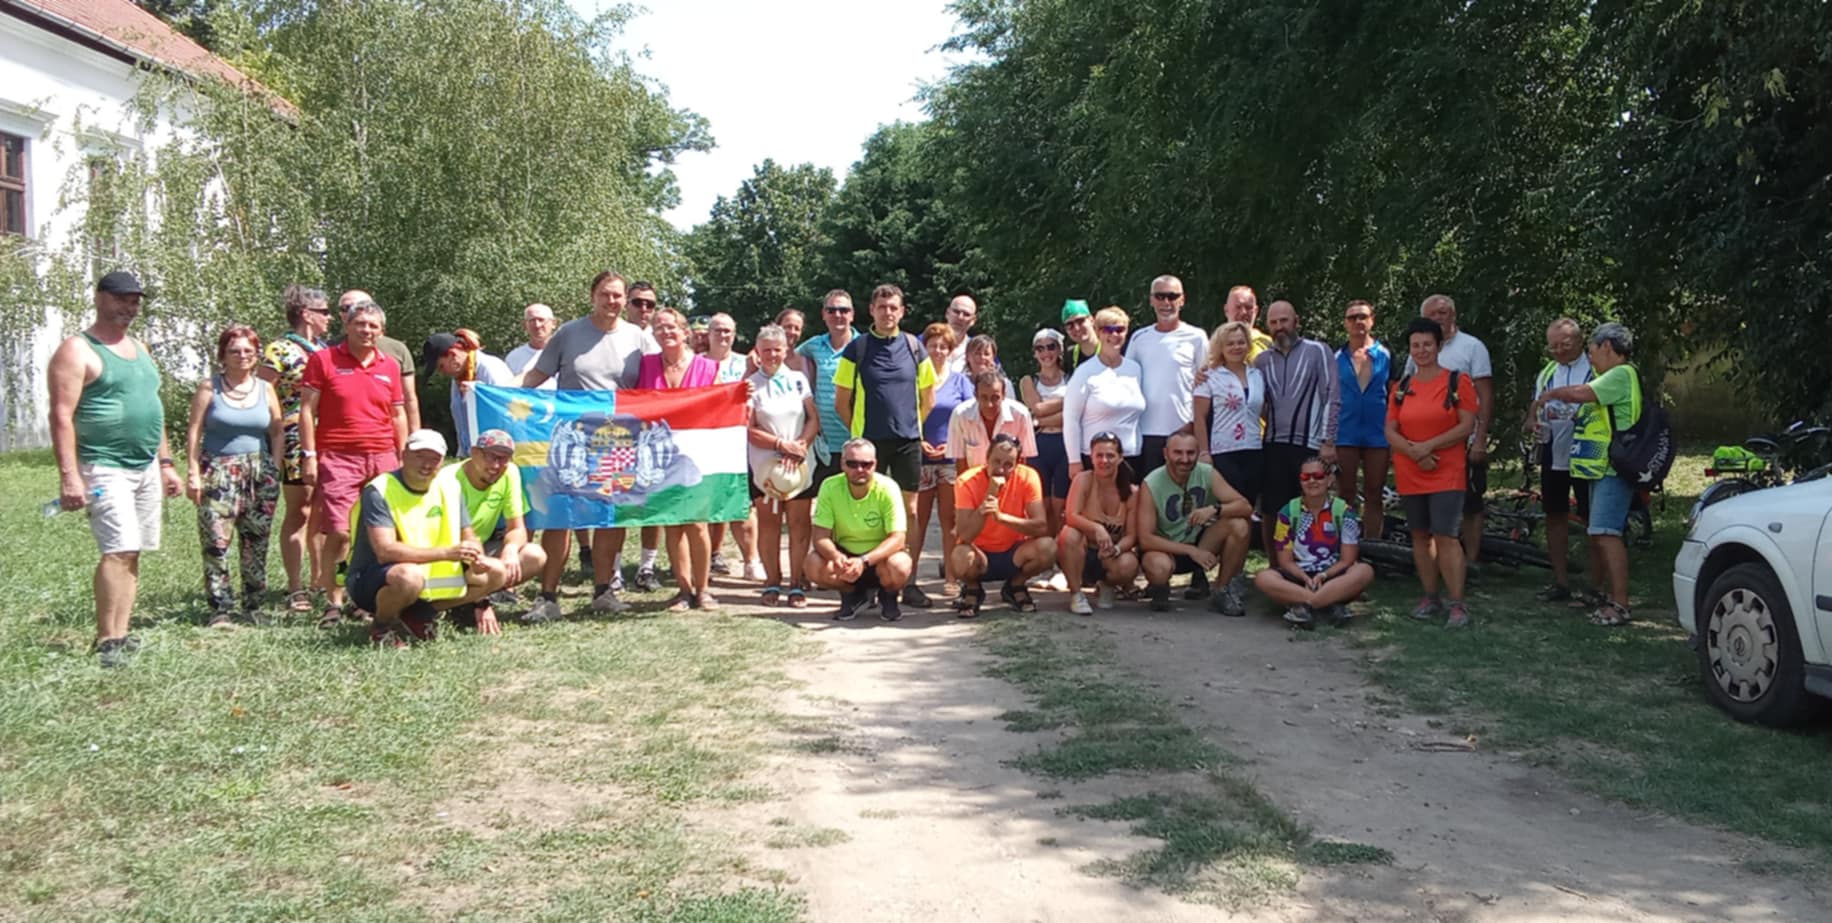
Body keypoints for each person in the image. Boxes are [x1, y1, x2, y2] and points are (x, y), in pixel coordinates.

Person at [48, 271, 184, 666]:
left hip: (145, 466)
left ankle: (121, 633)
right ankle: (107, 639)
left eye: (135, 300)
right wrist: (70, 477)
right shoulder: (77, 350)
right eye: (122, 298)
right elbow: (61, 416)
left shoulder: (139, 347)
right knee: (118, 548)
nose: (130, 306)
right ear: (99, 297)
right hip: (103, 466)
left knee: (133, 550)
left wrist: (166, 464)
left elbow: (152, 408)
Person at [522, 270, 658, 616]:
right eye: (605, 294)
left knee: (608, 518)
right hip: (573, 442)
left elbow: (661, 382)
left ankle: (603, 592)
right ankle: (548, 597)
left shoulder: (639, 338)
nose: (612, 301)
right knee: (561, 517)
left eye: (617, 295)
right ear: (592, 296)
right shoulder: (568, 333)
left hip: (619, 442)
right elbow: (534, 376)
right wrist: (491, 392)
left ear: (624, 299)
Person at [301, 298, 409, 628]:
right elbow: (306, 410)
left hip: (383, 456)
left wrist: (403, 455)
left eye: (373, 326)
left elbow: (398, 414)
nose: (366, 330)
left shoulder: (389, 366)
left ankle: (365, 598)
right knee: (339, 532)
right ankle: (333, 601)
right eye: (360, 324)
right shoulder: (323, 360)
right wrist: (309, 455)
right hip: (338, 457)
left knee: (380, 533)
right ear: (346, 326)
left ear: (382, 331)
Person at [344, 429, 508, 645]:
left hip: (428, 576)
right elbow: (385, 551)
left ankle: (419, 614)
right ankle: (382, 626)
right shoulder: (379, 490)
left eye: (434, 459)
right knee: (408, 576)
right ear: (404, 455)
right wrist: (446, 553)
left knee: (496, 571)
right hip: (373, 577)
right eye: (420, 456)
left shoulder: (450, 487)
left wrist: (476, 556)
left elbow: (468, 534)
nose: (427, 464)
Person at [832, 283, 938, 608]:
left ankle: (909, 580)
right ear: (871, 311)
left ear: (902, 312)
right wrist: (859, 435)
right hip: (869, 445)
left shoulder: (916, 348)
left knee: (910, 511)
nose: (887, 312)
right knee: (870, 509)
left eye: (893, 307)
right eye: (881, 307)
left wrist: (910, 426)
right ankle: (868, 581)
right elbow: (841, 402)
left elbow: (928, 399)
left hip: (907, 442)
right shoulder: (857, 349)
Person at [1531, 322, 1642, 627]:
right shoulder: (1617, 374)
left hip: (1611, 467)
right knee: (1600, 530)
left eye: (1592, 349)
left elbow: (1583, 394)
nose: (1591, 356)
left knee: (1606, 532)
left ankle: (1618, 603)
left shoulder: (1619, 374)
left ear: (1606, 346)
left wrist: (1553, 394)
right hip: (1595, 464)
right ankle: (1606, 597)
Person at [184, 325, 283, 628]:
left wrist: (275, 466)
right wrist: (193, 472)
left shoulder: (265, 389)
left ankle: (254, 605)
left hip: (259, 473)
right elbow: (194, 431)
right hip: (218, 471)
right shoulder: (209, 388)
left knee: (256, 541)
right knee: (216, 541)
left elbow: (277, 430)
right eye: (235, 351)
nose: (242, 356)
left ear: (256, 355)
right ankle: (220, 608)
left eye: (248, 351)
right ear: (223, 355)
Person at [1386, 316, 1478, 628]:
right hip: (1410, 470)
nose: (1421, 350)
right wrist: (1413, 452)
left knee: (1446, 535)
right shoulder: (1402, 387)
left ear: (1439, 346)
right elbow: (1390, 429)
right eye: (1416, 345)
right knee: (1420, 536)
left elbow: (1466, 425)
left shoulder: (1457, 381)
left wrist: (1428, 447)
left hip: (1446, 471)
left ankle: (1457, 603)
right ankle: (1430, 596)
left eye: (1427, 344)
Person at [637, 308, 720, 611]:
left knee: (697, 523)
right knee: (672, 523)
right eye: (659, 328)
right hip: (660, 456)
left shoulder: (707, 367)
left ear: (685, 332)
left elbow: (721, 404)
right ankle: (683, 591)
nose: (666, 332)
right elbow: (637, 405)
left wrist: (741, 393)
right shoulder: (646, 365)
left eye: (671, 327)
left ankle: (704, 589)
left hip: (697, 454)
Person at [257, 283, 331, 617]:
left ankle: (320, 580)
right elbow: (262, 392)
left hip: (327, 434)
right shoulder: (280, 350)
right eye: (324, 311)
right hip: (293, 437)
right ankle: (295, 585)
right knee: (299, 510)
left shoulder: (325, 350)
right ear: (306, 314)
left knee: (323, 511)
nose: (330, 317)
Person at [1410, 294, 1494, 562]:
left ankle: (1470, 561)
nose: (1438, 318)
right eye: (1432, 314)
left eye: (1443, 313)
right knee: (1430, 505)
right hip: (1424, 443)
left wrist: (1480, 438)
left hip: (1463, 440)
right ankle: (1438, 561)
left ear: (1454, 315)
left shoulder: (1472, 347)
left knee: (1470, 504)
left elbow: (1485, 396)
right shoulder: (1418, 351)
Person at [1253, 300, 1340, 555]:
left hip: (1310, 444)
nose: (1279, 327)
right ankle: (1276, 564)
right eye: (1273, 322)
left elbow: (1332, 396)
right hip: (1273, 443)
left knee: (1311, 505)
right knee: (1272, 509)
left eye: (1284, 320)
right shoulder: (1261, 361)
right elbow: (1258, 402)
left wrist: (1328, 441)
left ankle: (1313, 560)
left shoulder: (1318, 351)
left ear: (1296, 321)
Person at [1137, 432, 1253, 613]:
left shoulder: (1207, 473)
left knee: (1239, 525)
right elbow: (1145, 539)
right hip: (1166, 550)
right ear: (1166, 453)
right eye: (1178, 453)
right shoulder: (1151, 483)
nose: (1185, 459)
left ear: (1198, 454)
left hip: (1202, 543)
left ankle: (1222, 590)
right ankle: (1160, 587)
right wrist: (1191, 551)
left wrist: (1214, 509)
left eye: (1190, 453)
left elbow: (1245, 506)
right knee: (1159, 568)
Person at [745, 324, 820, 607]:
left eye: (777, 350)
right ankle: (772, 581)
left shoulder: (799, 380)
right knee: (769, 525)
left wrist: (800, 445)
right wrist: (780, 445)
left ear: (786, 350)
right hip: (766, 465)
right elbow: (748, 427)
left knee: (800, 525)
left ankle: (796, 583)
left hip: (799, 463)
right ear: (758, 351)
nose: (772, 355)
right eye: (766, 350)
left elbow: (812, 418)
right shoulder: (751, 384)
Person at [1253, 456, 1376, 628]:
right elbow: (1285, 561)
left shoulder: (1345, 512)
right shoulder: (1287, 512)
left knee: (1364, 571)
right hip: (1299, 575)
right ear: (1300, 481)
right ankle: (1329, 603)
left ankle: (1305, 606)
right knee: (1263, 578)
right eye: (1306, 477)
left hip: (1333, 575)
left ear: (1329, 480)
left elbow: (1347, 559)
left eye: (1318, 476)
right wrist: (1304, 577)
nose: (1312, 481)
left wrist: (1324, 575)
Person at [1526, 317, 1599, 604]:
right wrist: (1533, 421)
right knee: (1554, 515)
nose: (1558, 351)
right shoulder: (1547, 372)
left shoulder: (1596, 369)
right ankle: (1560, 582)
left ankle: (1596, 584)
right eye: (1552, 346)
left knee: (1592, 520)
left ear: (1580, 341)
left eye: (1564, 345)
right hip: (1553, 452)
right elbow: (1536, 406)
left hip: (1588, 453)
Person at [806, 439, 914, 622]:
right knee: (813, 564)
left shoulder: (888, 487)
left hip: (880, 559)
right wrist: (837, 557)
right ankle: (852, 595)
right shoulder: (829, 486)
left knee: (900, 565)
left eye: (866, 464)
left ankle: (888, 596)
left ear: (875, 464)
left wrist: (864, 561)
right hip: (846, 558)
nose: (859, 469)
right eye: (852, 464)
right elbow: (820, 536)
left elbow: (898, 538)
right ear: (842, 464)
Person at [451, 429, 548, 625]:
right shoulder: (450, 479)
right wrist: (482, 602)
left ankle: (469, 600)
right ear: (474, 453)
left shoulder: (510, 472)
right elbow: (453, 538)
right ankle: (464, 602)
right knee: (494, 569)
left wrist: (510, 549)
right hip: (450, 552)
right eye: (491, 457)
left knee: (534, 555)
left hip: (481, 549)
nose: (496, 465)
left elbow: (517, 528)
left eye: (503, 458)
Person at [951, 435, 1055, 617]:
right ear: (987, 458)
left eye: (1008, 465)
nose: (1000, 469)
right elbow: (964, 535)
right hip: (979, 554)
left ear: (1017, 464)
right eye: (996, 462)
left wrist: (1001, 518)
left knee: (1049, 547)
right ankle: (972, 588)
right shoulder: (966, 481)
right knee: (960, 556)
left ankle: (1016, 585)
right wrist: (987, 500)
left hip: (1014, 552)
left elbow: (1041, 526)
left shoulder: (1028, 476)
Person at [1127, 274, 1208, 475]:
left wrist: (1195, 425)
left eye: (1172, 296)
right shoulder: (1138, 338)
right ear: (1151, 300)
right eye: (1160, 296)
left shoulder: (1197, 337)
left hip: (1184, 431)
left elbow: (1206, 384)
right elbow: (1126, 382)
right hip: (1145, 432)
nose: (1166, 302)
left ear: (1182, 300)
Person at [706, 312, 764, 580]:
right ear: (708, 333)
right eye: (717, 330)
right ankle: (706, 558)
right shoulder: (696, 364)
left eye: (727, 330)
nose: (722, 335)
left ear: (735, 333)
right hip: (706, 442)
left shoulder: (747, 363)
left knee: (743, 504)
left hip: (740, 443)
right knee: (707, 505)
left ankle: (751, 561)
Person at [1058, 432, 1141, 614]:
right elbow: (1071, 516)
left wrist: (1116, 549)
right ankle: (1076, 594)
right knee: (1068, 534)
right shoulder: (1083, 479)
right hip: (1082, 550)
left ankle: (1107, 585)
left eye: (1110, 456)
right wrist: (1097, 528)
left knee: (1129, 564)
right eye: (1099, 455)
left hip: (1109, 555)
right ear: (1091, 457)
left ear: (1120, 458)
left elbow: (1131, 536)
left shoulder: (1132, 492)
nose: (1104, 461)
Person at [915, 323, 969, 598]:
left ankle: (951, 576)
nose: (937, 351)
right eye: (932, 345)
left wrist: (953, 444)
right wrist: (917, 440)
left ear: (951, 350)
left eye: (943, 346)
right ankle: (908, 579)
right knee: (917, 520)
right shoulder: (914, 378)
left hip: (950, 459)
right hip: (919, 458)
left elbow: (970, 417)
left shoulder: (961, 381)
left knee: (950, 520)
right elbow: (906, 414)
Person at [1063, 306, 1148, 478]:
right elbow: (1071, 419)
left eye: (1120, 329)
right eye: (1107, 329)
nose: (1114, 334)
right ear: (1098, 332)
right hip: (1095, 459)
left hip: (1132, 457)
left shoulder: (1135, 369)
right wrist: (1074, 461)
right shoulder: (1084, 372)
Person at [1192, 321, 1267, 512]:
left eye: (1241, 342)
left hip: (1253, 449)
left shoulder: (1257, 375)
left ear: (1248, 345)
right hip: (1223, 451)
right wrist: (1203, 452)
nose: (1236, 347)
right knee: (1230, 507)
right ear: (1221, 348)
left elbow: (1263, 411)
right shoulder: (1209, 376)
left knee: (1249, 506)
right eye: (1230, 343)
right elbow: (1199, 417)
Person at [1335, 300, 1391, 541]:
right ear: (1345, 323)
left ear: (1372, 320)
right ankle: (1344, 544)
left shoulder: (1386, 355)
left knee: (1374, 493)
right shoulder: (1336, 357)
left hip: (1378, 434)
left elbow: (1395, 393)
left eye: (1362, 316)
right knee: (1345, 493)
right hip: (1345, 433)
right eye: (1352, 317)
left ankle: (1373, 543)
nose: (1357, 321)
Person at [797, 289, 861, 491]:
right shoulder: (814, 345)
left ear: (852, 314)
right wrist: (756, 355)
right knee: (824, 500)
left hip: (854, 440)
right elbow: (786, 355)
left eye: (844, 310)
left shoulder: (863, 346)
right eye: (831, 310)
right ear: (824, 314)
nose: (838, 315)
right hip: (823, 444)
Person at [421, 330, 515, 454]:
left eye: (441, 366)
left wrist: (481, 393)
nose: (442, 373)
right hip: (474, 453)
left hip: (498, 451)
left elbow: (506, 412)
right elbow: (461, 424)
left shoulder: (490, 367)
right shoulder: (458, 378)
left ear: (453, 355)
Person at [1020, 328, 1072, 552]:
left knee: (1061, 504)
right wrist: (1067, 402)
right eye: (1040, 348)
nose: (1046, 353)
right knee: (1041, 503)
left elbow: (1071, 417)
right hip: (1039, 444)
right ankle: (1045, 549)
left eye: (1051, 347)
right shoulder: (1028, 381)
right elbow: (1037, 408)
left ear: (1059, 349)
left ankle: (1060, 551)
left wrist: (1039, 419)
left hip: (1065, 444)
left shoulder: (1071, 379)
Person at [336, 290, 419, 430]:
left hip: (387, 432)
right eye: (345, 308)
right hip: (340, 434)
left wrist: (414, 435)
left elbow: (409, 398)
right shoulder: (327, 350)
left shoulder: (397, 350)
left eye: (359, 306)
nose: (352, 311)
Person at [948, 368, 1038, 472]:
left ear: (1004, 395)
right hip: (973, 478)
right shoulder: (960, 415)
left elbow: (1023, 460)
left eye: (995, 398)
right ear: (976, 395)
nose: (989, 404)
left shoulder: (1021, 415)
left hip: (1009, 478)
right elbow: (960, 461)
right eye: (984, 397)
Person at [503, 303, 558, 391]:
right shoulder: (514, 357)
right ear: (524, 325)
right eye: (532, 320)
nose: (537, 325)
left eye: (541, 320)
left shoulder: (564, 354)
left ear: (553, 323)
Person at [1224, 285, 1275, 361]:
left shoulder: (1269, 345)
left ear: (1256, 311)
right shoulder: (1214, 346)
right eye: (1238, 307)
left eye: (1248, 307)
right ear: (1226, 310)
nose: (1243, 312)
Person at [1060, 299, 1103, 371]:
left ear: (1091, 320)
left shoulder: (1110, 349)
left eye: (1080, 321)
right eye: (1070, 325)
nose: (1077, 328)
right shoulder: (1070, 357)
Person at [943, 293, 978, 375]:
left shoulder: (978, 350)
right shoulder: (924, 343)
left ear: (973, 320)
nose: (960, 317)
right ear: (947, 313)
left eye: (966, 314)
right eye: (956, 312)